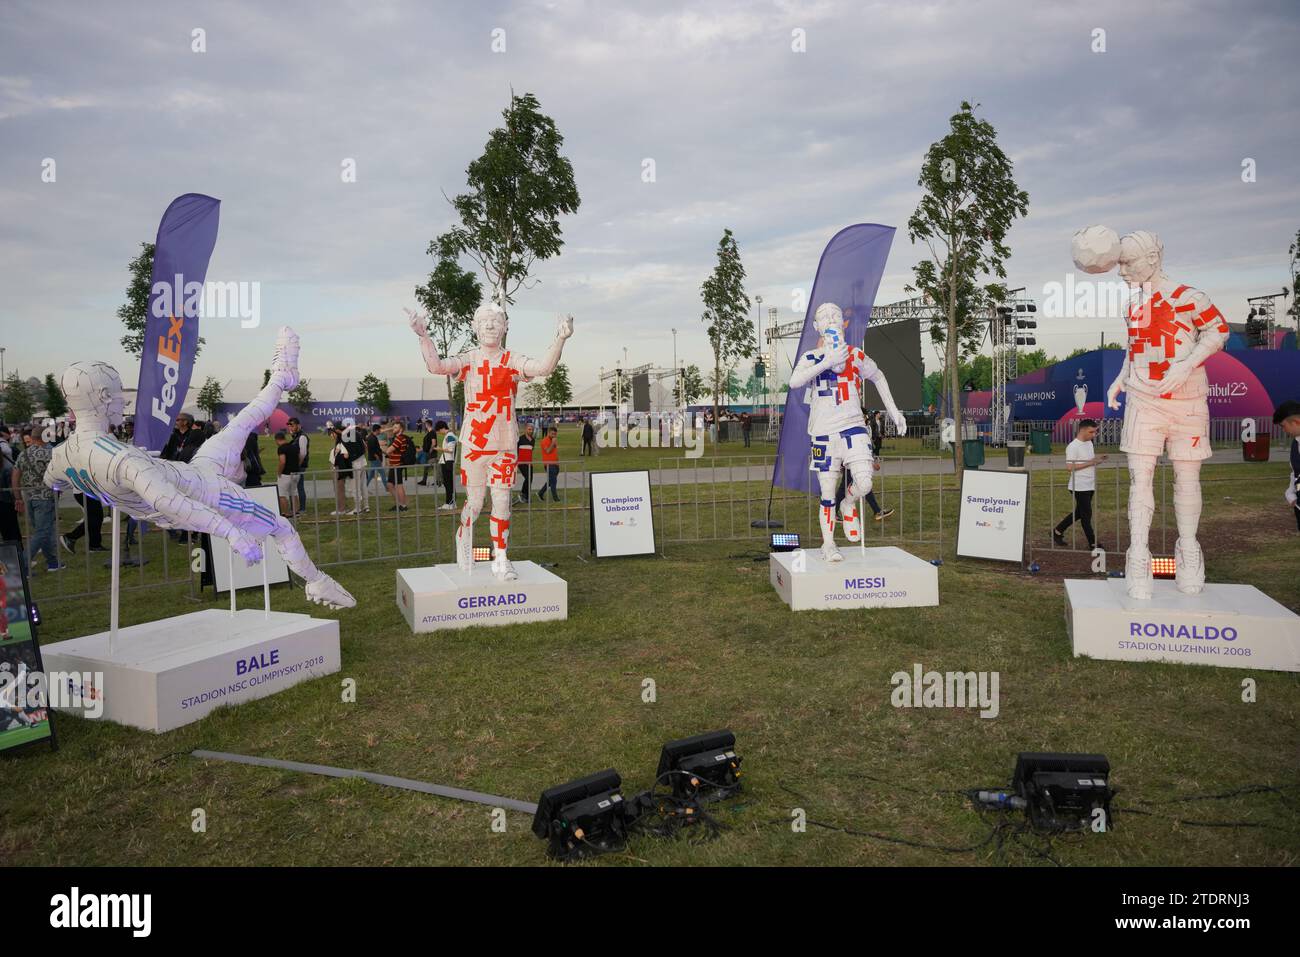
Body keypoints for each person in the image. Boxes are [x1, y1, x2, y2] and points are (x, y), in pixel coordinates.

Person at [45, 329, 354, 608]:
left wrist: (98, 490)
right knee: (282, 529)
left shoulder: (61, 457)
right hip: (208, 493)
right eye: (117, 392)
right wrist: (232, 533)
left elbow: (53, 483)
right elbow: (174, 503)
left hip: (195, 470)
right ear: (102, 397)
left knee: (242, 423)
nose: (121, 401)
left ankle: (282, 377)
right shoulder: (122, 460)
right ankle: (317, 581)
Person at [1101, 228, 1228, 597]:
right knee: (1140, 480)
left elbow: (1217, 332)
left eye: (1127, 262)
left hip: (1187, 401)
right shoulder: (1132, 305)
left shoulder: (1189, 297)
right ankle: (1138, 554)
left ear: (1152, 259)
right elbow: (1135, 347)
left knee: (1187, 480)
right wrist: (1120, 378)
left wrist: (1186, 365)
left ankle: (1188, 548)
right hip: (1143, 399)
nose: (1121, 271)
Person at [411, 302, 574, 580]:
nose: (489, 325)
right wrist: (423, 336)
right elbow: (436, 366)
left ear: (505, 327)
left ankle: (501, 558)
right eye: (484, 321)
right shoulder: (469, 360)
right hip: (475, 445)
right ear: (474, 327)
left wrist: (560, 338)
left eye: (496, 321)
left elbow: (544, 368)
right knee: (474, 503)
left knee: (502, 503)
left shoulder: (512, 360)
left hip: (505, 445)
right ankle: (464, 537)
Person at [788, 302, 908, 562]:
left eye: (835, 315)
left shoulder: (855, 355)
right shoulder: (811, 357)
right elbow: (794, 382)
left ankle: (849, 503)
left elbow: (878, 376)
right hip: (823, 432)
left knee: (865, 482)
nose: (830, 319)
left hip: (853, 425)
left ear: (843, 323)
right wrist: (827, 361)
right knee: (827, 491)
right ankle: (829, 544)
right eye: (824, 317)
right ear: (816, 326)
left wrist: (894, 410)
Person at [12, 428, 62, 572]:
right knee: (42, 532)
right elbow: (59, 475)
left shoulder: (23, 454)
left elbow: (15, 476)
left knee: (42, 531)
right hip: (45, 498)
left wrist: (18, 498)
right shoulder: (50, 454)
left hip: (29, 498)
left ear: (32, 438)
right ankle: (23, 565)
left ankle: (52, 562)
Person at [1052, 418, 1106, 550]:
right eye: (1091, 432)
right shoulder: (1073, 446)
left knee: (1080, 513)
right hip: (1079, 486)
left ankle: (1057, 531)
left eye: (1095, 432)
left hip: (1089, 484)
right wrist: (1091, 463)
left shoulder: (1089, 444)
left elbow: (1088, 460)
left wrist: (1097, 459)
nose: (1094, 435)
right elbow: (1070, 467)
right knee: (1086, 515)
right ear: (1082, 430)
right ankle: (1093, 543)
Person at [1274, 399, 1300, 532]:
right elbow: (1295, 473)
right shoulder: (1295, 444)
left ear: (1296, 422)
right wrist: (1291, 495)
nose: (1284, 431)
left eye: (1283, 426)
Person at [380, 420, 411, 511]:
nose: (393, 429)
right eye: (393, 427)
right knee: (390, 485)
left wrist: (381, 446)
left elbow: (388, 451)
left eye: (396, 427)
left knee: (398, 485)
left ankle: (403, 505)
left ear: (401, 429)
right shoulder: (398, 438)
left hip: (397, 465)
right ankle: (399, 504)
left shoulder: (399, 438)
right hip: (393, 464)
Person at [287, 417, 310, 515]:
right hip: (296, 465)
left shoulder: (302, 437)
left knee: (299, 486)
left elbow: (303, 453)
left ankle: (302, 508)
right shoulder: (297, 436)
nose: (290, 427)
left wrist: (297, 465)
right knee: (295, 486)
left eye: (292, 425)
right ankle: (296, 508)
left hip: (299, 465)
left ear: (298, 425)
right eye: (289, 425)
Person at [275, 430, 299, 517]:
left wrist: (279, 473)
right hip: (296, 473)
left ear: (277, 440)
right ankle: (296, 512)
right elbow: (299, 458)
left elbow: (282, 461)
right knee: (294, 493)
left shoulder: (281, 448)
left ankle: (286, 513)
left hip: (286, 474)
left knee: (282, 494)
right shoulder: (294, 446)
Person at [435, 420, 457, 510]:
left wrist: (440, 449)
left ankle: (450, 503)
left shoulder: (450, 435)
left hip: (448, 462)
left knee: (448, 484)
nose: (439, 433)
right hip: (447, 461)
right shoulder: (449, 435)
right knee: (448, 483)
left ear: (442, 428)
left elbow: (451, 449)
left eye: (438, 431)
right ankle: (450, 503)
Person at [538, 426, 561, 502]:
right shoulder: (544, 441)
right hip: (548, 464)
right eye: (552, 434)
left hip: (555, 464)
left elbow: (554, 452)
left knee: (550, 481)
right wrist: (553, 443)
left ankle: (540, 493)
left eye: (555, 434)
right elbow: (547, 451)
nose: (554, 435)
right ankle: (555, 498)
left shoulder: (553, 440)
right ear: (548, 433)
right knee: (553, 481)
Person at [516, 422, 536, 504]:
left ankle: (526, 496)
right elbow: (516, 451)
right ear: (525, 429)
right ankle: (523, 494)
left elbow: (531, 450)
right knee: (528, 478)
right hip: (521, 463)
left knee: (530, 480)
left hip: (529, 463)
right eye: (529, 429)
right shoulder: (520, 439)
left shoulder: (533, 440)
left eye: (532, 429)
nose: (531, 431)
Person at [417, 419, 436, 485]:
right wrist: (421, 449)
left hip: (431, 453)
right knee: (426, 467)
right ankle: (424, 480)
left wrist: (430, 451)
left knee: (433, 467)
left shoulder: (432, 432)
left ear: (428, 424)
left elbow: (433, 443)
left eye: (425, 424)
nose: (424, 425)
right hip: (427, 452)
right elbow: (426, 444)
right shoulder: (428, 432)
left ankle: (438, 480)